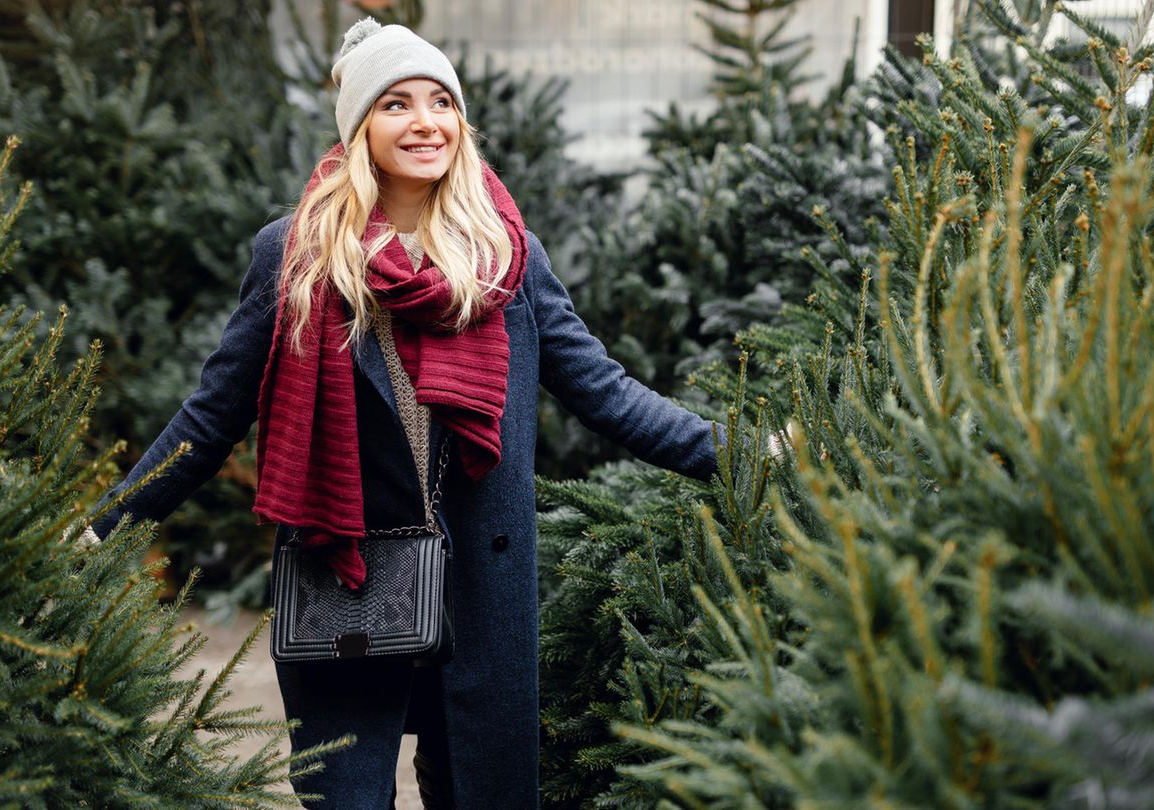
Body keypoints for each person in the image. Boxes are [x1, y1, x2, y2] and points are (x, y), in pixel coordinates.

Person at [90, 19, 722, 809]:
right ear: (360, 128)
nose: (425, 122)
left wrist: (741, 454)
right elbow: (211, 416)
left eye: (440, 102)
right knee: (347, 795)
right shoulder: (297, 255)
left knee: (474, 789)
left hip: (477, 589)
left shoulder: (507, 257)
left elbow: (605, 392)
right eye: (396, 103)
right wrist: (102, 526)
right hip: (348, 573)